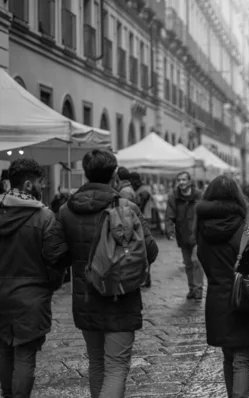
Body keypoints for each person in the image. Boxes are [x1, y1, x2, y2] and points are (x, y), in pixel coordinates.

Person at [45, 149, 159, 398]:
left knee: (96, 363)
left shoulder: (65, 210)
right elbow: (151, 251)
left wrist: (79, 259)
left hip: (86, 297)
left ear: (86, 173)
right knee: (117, 367)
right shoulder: (127, 207)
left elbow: (54, 253)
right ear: (115, 174)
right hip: (121, 295)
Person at [196, 175, 249, 398]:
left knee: (229, 356)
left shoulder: (201, 227)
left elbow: (202, 259)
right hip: (244, 301)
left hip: (217, 301)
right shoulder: (246, 229)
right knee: (241, 359)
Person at [0, 159, 63, 398]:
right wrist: (50, 285)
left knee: (4, 350)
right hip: (31, 296)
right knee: (25, 355)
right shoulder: (45, 217)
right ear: (28, 185)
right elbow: (55, 259)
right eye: (40, 182)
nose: (43, 187)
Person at [165, 171, 204, 300]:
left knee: (196, 261)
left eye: (184, 179)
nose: (181, 182)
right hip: (183, 234)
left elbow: (205, 213)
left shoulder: (199, 196)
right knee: (188, 264)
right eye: (179, 180)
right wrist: (169, 230)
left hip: (197, 234)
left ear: (189, 181)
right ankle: (192, 288)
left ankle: (198, 289)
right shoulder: (173, 197)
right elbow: (169, 215)